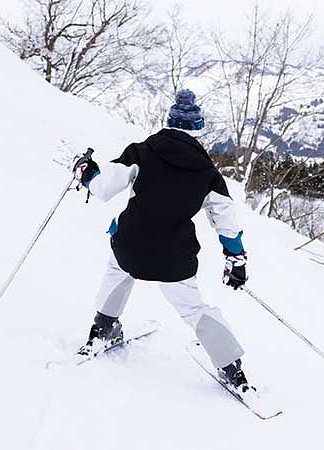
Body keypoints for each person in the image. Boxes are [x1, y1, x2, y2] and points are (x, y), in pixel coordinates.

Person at [66, 90, 252, 393]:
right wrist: (236, 259)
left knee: (118, 271)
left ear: (169, 122)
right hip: (174, 257)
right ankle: (230, 367)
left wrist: (85, 170)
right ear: (198, 129)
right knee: (193, 308)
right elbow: (226, 223)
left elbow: (102, 186)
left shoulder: (141, 151)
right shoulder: (208, 173)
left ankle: (104, 328)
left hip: (130, 244)